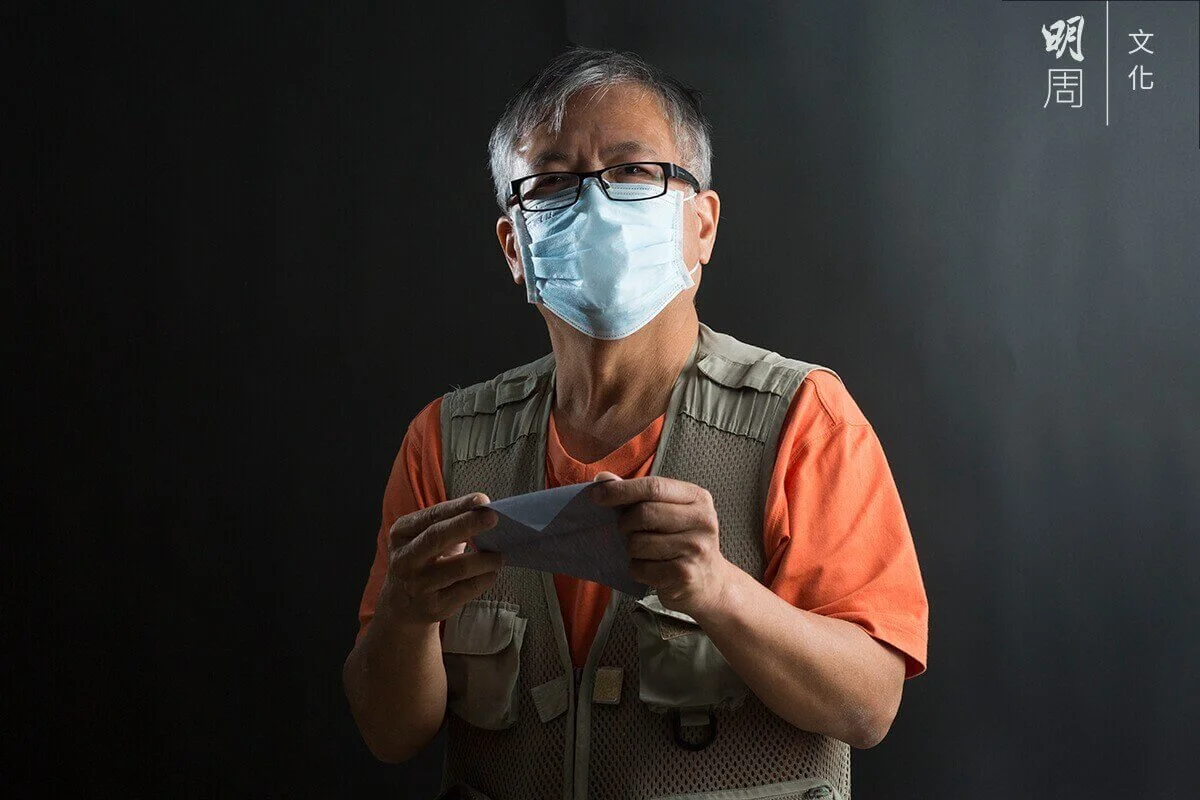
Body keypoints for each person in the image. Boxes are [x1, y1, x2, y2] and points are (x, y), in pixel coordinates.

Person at [343, 46, 928, 800]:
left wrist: (718, 590)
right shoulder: (446, 443)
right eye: (552, 181)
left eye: (632, 171)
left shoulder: (804, 421)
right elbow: (388, 733)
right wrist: (406, 614)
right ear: (515, 247)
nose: (595, 207)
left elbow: (869, 706)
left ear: (702, 225)